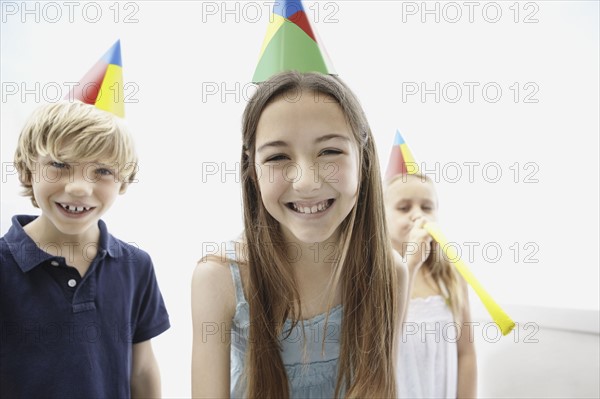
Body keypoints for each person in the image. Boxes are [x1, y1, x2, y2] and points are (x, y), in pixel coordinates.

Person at [192, 71, 411, 398]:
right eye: (278, 157)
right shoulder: (218, 278)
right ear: (253, 173)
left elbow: (380, 388)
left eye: (330, 151)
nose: (306, 181)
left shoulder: (389, 272)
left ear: (363, 161)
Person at [0, 101, 170, 398]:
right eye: (59, 164)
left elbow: (141, 369)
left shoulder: (136, 266)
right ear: (28, 170)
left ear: (123, 182)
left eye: (103, 170)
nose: (79, 188)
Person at [384, 172, 477, 398]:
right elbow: (385, 343)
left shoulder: (450, 276)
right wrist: (410, 264)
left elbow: (466, 353)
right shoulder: (376, 276)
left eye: (427, 207)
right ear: (381, 216)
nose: (418, 216)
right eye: (404, 208)